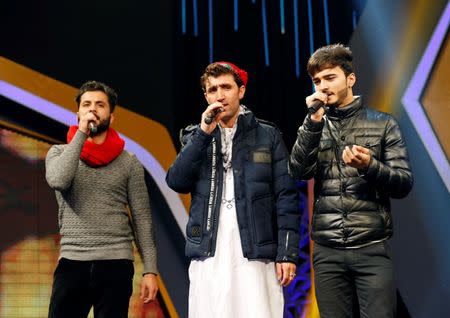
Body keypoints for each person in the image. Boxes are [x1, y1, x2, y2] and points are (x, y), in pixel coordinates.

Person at [166, 62, 300, 317]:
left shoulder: (267, 136)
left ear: (241, 91)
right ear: (206, 96)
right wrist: (204, 133)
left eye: (226, 87)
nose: (220, 95)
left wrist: (287, 253)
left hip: (256, 252)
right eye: (213, 89)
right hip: (210, 250)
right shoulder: (195, 136)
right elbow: (176, 181)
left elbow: (286, 197)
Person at [289, 44, 413, 318]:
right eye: (317, 81)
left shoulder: (383, 124)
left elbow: (403, 183)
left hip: (372, 247)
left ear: (350, 79)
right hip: (327, 251)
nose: (322, 87)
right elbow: (297, 172)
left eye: (329, 77)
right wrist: (313, 122)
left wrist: (370, 166)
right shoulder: (313, 124)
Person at [45, 80, 158, 318]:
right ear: (78, 114)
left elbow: (142, 219)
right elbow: (59, 180)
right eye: (86, 105)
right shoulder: (58, 153)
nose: (92, 110)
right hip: (72, 261)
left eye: (100, 105)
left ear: (111, 116)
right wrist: (82, 134)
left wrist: (150, 270)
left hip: (116, 263)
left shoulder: (129, 161)